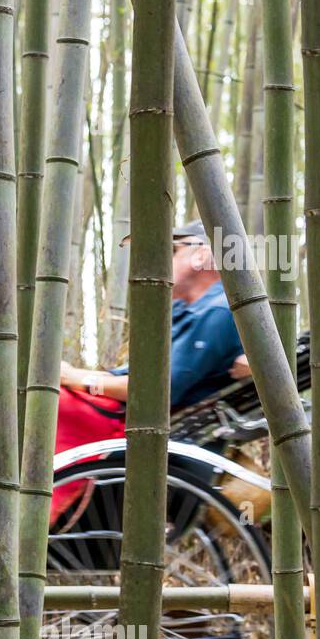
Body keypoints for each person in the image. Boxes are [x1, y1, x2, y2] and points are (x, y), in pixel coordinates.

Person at [51, 220, 249, 520]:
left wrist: (73, 378)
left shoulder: (219, 312)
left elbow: (153, 391)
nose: (163, 261)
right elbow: (127, 375)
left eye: (173, 251)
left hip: (153, 432)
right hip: (135, 420)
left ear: (203, 255)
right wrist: (70, 376)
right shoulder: (187, 310)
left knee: (52, 405)